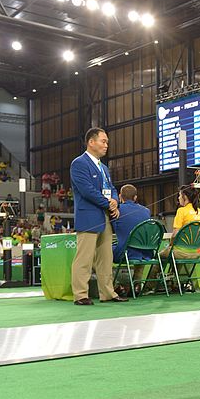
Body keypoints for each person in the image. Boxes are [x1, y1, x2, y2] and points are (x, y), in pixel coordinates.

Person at [70, 127, 127, 305]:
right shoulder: (79, 163)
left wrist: (115, 202)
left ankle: (107, 293)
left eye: (107, 142)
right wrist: (108, 203)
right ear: (91, 142)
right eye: (103, 141)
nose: (106, 145)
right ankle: (80, 295)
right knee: (84, 259)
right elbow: (87, 191)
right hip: (89, 218)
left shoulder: (104, 168)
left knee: (106, 258)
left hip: (105, 218)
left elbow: (112, 189)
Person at [111, 184, 151, 294]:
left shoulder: (117, 210)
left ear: (120, 197)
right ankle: (137, 284)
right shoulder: (146, 211)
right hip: (145, 253)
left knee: (101, 253)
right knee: (140, 249)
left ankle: (114, 286)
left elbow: (113, 227)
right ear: (135, 198)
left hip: (125, 252)